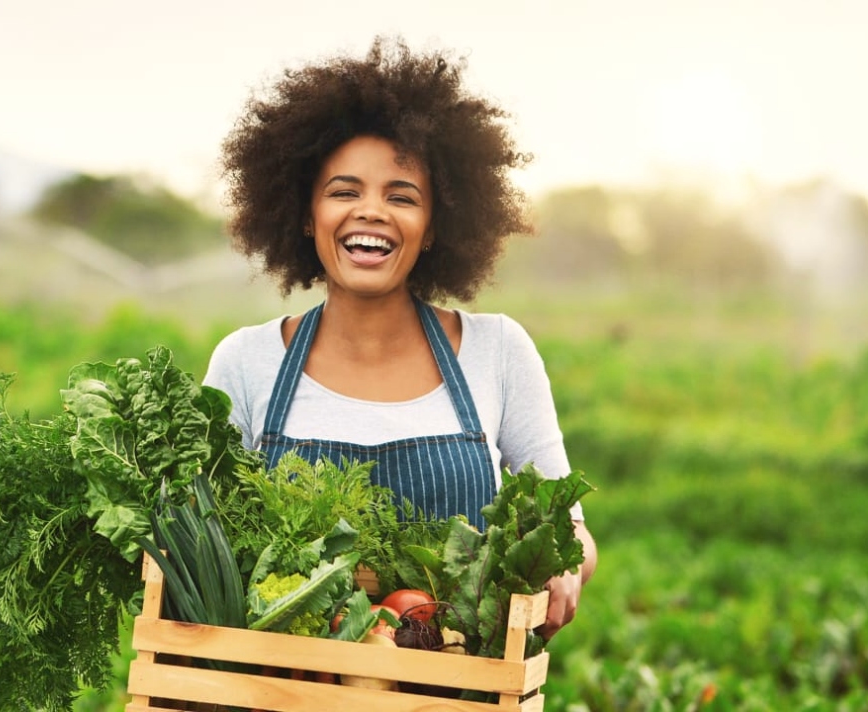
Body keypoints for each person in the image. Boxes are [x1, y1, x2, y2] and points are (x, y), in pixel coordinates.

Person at [204, 36, 596, 641]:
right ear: (305, 215)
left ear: (436, 226)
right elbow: (199, 542)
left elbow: (567, 526)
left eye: (401, 196)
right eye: (344, 191)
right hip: (282, 693)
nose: (371, 212)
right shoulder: (246, 362)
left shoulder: (497, 351)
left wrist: (566, 566)